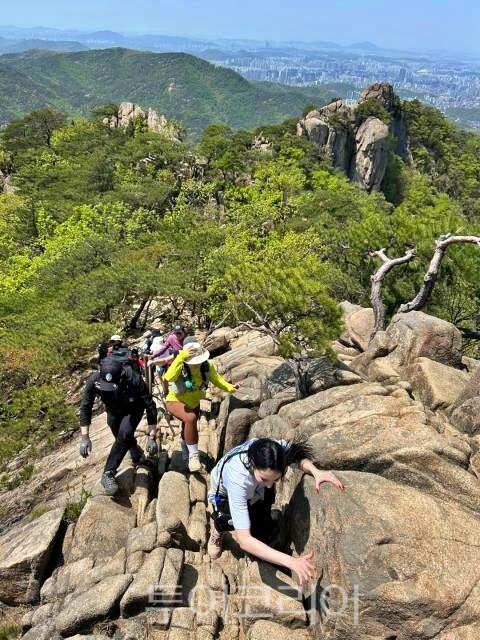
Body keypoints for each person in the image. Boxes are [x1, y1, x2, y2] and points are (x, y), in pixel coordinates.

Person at [206, 437, 345, 586]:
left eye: (276, 479)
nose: (269, 485)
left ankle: (261, 538)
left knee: (261, 515)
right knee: (226, 520)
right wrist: (291, 562)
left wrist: (316, 472)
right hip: (225, 494)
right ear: (252, 464)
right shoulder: (238, 481)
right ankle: (218, 532)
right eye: (264, 478)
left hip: (254, 489)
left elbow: (297, 456)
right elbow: (244, 540)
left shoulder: (274, 452)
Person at [79, 351, 159, 496]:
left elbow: (150, 406)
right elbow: (86, 406)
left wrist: (152, 437)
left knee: (124, 434)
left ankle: (108, 473)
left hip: (133, 409)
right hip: (113, 411)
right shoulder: (95, 380)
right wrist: (85, 437)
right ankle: (137, 455)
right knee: (121, 438)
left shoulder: (133, 378)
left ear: (121, 376)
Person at [162, 340, 238, 472]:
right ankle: (193, 457)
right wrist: (181, 357)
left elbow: (217, 380)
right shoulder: (180, 363)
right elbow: (169, 377)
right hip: (175, 400)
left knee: (189, 426)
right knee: (190, 418)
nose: (196, 364)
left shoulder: (207, 366)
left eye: (198, 361)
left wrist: (231, 387)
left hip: (194, 402)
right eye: (192, 362)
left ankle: (186, 451)